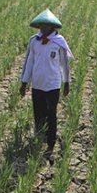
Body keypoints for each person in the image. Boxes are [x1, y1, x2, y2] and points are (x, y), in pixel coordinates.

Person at [20, 8, 73, 162]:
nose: (42, 28)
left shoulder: (59, 42)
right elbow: (28, 62)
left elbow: (64, 64)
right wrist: (24, 82)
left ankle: (51, 142)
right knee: (38, 112)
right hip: (37, 84)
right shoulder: (34, 41)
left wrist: (67, 82)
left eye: (46, 26)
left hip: (53, 84)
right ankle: (39, 137)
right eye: (41, 26)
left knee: (52, 113)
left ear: (52, 27)